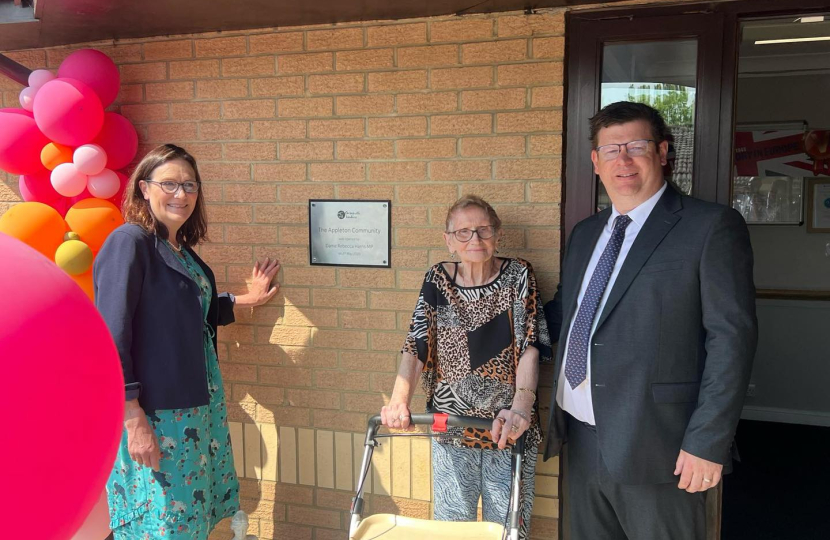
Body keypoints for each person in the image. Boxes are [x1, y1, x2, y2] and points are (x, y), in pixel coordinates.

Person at [543, 102, 758, 539]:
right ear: (595, 162)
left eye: (636, 146)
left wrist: (707, 441)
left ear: (662, 152)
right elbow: (566, 314)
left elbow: (731, 340)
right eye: (610, 149)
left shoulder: (710, 226)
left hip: (661, 444)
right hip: (582, 435)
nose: (622, 160)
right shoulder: (585, 233)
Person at [94, 144, 280, 539]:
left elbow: (192, 315)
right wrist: (132, 417)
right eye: (170, 184)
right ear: (144, 189)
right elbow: (111, 334)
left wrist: (247, 299)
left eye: (190, 185)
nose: (181, 194)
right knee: (162, 522)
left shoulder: (182, 252)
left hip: (198, 408)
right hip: (158, 415)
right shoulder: (131, 243)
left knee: (189, 522)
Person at [380, 195, 551, 539]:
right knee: (451, 527)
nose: (474, 239)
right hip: (451, 426)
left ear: (497, 234)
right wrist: (399, 399)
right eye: (463, 232)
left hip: (507, 429)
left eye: (483, 230)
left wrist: (521, 409)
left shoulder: (519, 274)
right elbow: (416, 345)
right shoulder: (437, 280)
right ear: (448, 240)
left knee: (507, 529)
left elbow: (529, 346)